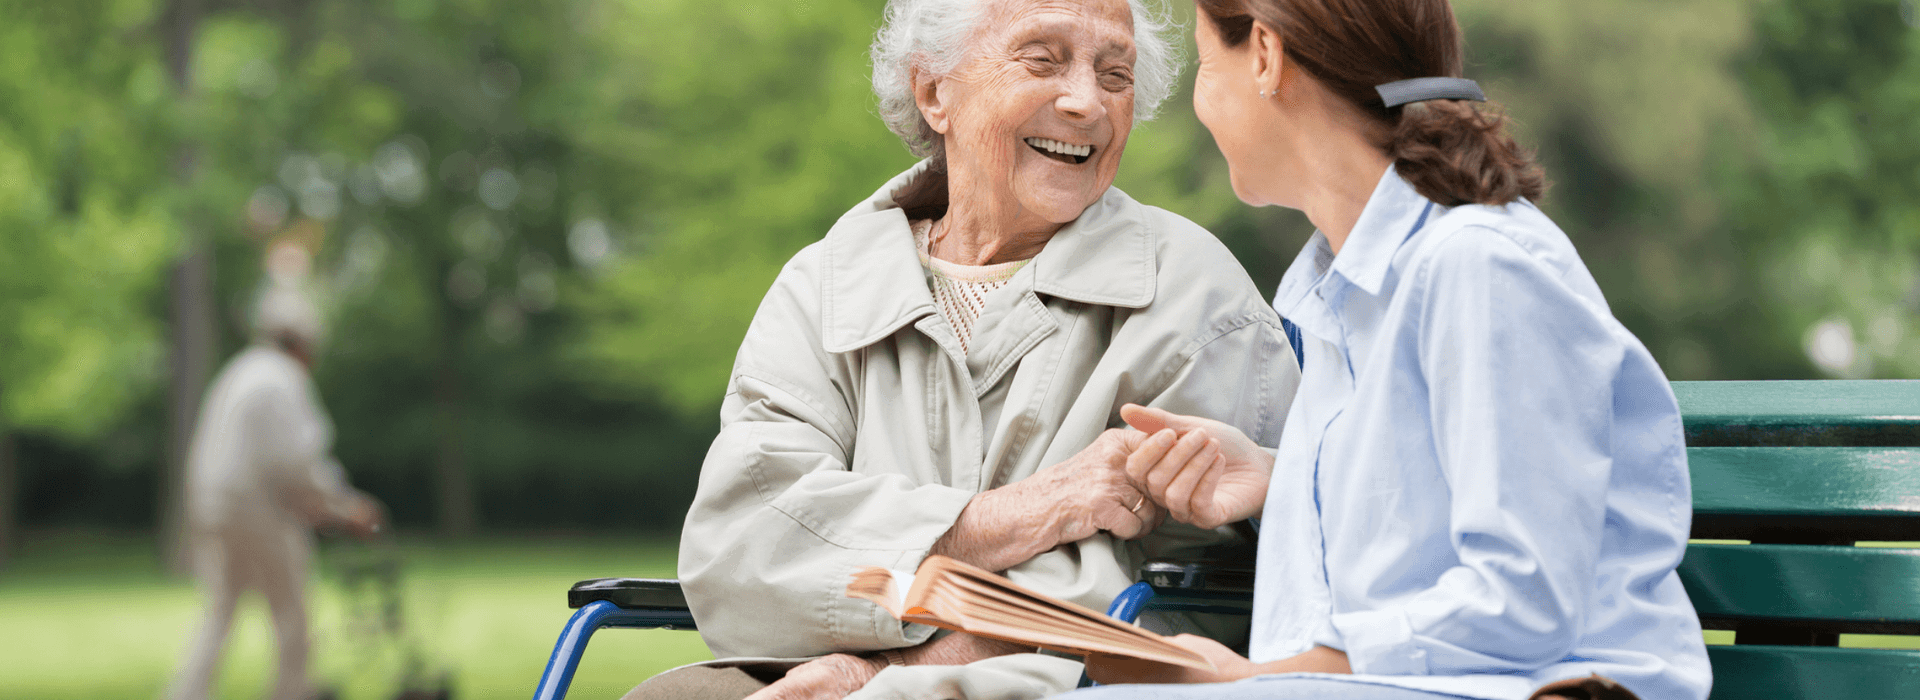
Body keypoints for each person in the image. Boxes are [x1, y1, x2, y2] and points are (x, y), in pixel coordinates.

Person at [627, 0, 1302, 698]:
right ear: (933, 92)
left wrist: (888, 677)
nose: (1085, 102)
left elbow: (1190, 594)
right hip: (809, 666)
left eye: (1115, 74)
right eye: (1041, 61)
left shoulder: (1192, 293)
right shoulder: (821, 286)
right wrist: (1018, 516)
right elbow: (741, 547)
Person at [1063, 1, 1712, 699]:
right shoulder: (1342, 291)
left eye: (1205, 66)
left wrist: (1254, 677)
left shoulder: (1479, 267)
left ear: (1263, 56)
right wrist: (1286, 480)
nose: (1201, 104)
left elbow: (1524, 596)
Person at [167, 270, 385, 700]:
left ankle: (186, 694)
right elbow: (297, 465)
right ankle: (292, 691)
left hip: (212, 507)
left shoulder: (241, 370)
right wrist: (346, 509)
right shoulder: (282, 380)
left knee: (221, 610)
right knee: (292, 612)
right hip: (257, 510)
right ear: (304, 344)